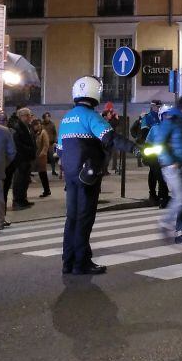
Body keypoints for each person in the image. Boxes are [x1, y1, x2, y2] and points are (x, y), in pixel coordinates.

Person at [57, 76, 137, 275]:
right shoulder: (91, 116)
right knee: (84, 219)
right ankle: (81, 263)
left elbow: (59, 151)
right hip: (88, 176)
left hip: (71, 176)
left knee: (72, 219)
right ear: (95, 94)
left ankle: (68, 262)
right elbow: (110, 138)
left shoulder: (66, 118)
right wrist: (135, 148)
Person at [149, 95, 182, 244]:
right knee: (181, 198)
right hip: (173, 166)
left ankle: (181, 232)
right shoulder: (171, 119)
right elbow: (159, 143)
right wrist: (170, 161)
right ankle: (164, 223)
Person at [7, 106, 37, 210]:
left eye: (30, 115)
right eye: (28, 115)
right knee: (19, 180)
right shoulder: (17, 127)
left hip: (27, 157)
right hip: (21, 158)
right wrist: (29, 149)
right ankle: (17, 201)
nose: (30, 117)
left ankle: (23, 199)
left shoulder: (27, 126)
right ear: (22, 116)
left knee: (25, 180)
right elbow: (17, 144)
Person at [32, 115, 52, 197]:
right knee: (41, 174)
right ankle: (46, 190)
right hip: (36, 156)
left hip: (41, 157)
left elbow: (46, 145)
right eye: (36, 125)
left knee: (43, 174)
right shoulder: (36, 133)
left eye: (39, 124)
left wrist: (42, 153)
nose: (38, 126)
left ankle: (47, 190)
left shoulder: (43, 133)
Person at [42, 112, 59, 178]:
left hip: (50, 143)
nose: (48, 118)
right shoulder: (41, 124)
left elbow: (54, 133)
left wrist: (55, 140)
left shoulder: (52, 124)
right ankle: (43, 171)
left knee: (52, 158)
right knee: (43, 158)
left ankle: (53, 170)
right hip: (43, 144)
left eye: (48, 116)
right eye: (46, 117)